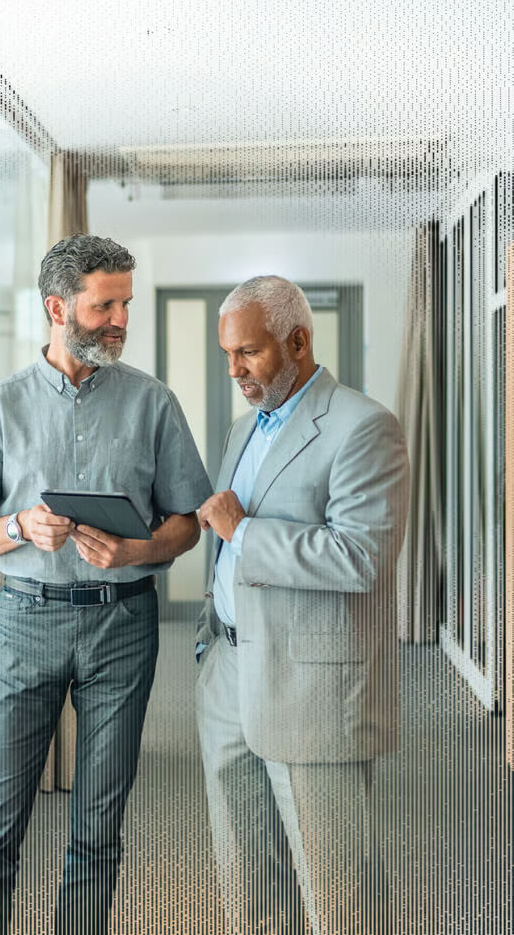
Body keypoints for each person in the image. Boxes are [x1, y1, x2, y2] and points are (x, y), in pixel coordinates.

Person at [0, 233, 211, 935]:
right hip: (27, 622)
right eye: (104, 305)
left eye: (126, 302)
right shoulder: (0, 408)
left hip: (124, 627)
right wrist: (20, 527)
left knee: (97, 834)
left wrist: (135, 550)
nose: (121, 319)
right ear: (58, 307)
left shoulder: (153, 404)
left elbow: (189, 524)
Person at [194, 276, 410, 935]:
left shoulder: (362, 426)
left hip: (311, 688)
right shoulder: (242, 428)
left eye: (249, 353)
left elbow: (363, 557)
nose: (234, 370)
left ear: (298, 340)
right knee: (247, 886)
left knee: (335, 894)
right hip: (229, 677)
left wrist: (246, 533)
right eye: (227, 353)